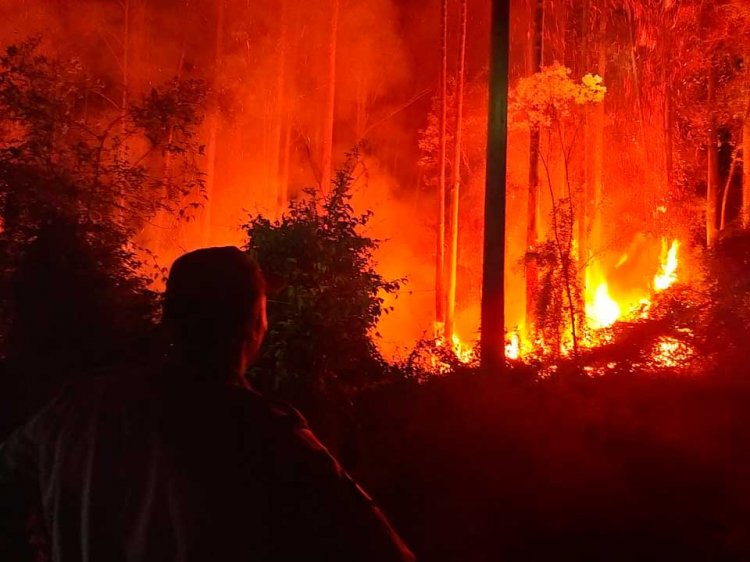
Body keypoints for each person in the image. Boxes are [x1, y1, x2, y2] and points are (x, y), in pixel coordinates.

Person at [0, 246, 415, 561]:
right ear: (255, 322)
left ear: (169, 319)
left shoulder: (75, 408)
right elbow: (379, 548)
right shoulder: (269, 435)